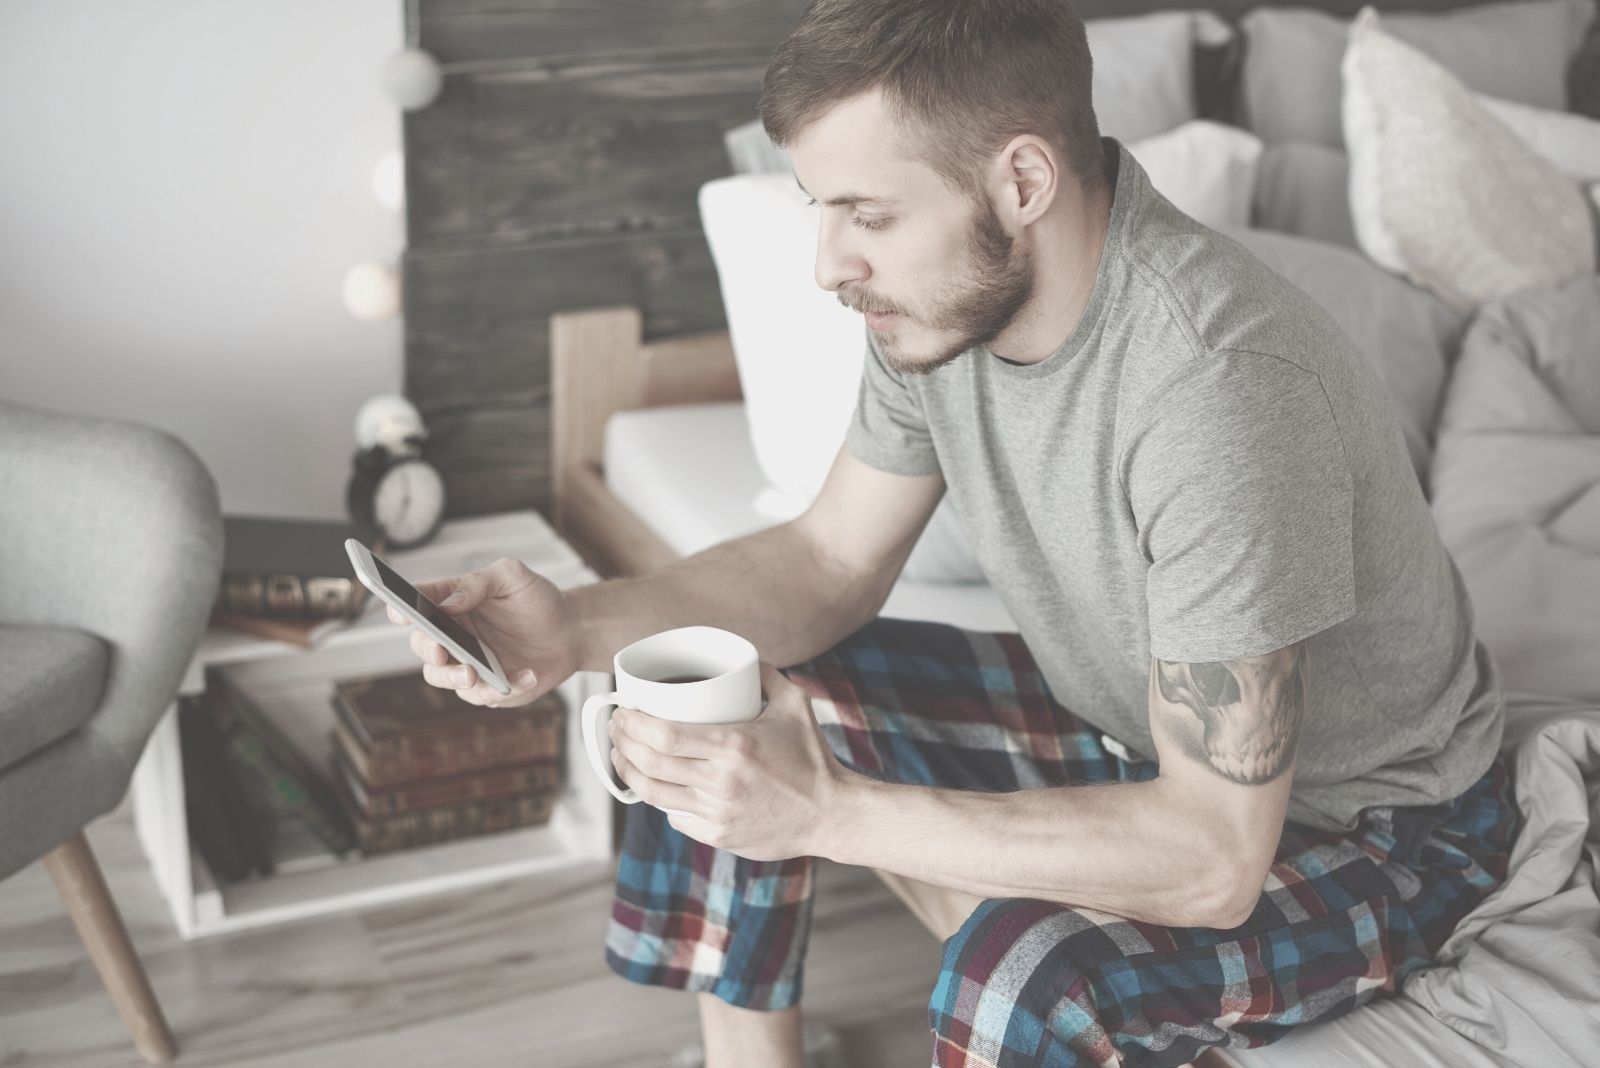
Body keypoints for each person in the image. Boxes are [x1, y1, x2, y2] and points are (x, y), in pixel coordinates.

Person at [386, 1, 1518, 1065]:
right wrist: (570, 627)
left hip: (1377, 827)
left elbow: (1217, 857)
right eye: (819, 210)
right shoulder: (938, 311)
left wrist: (828, 811)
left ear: (1020, 178)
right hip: (1135, 731)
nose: (827, 265)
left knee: (1019, 973)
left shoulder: (1217, 390)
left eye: (866, 215)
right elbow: (826, 560)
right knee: (713, 682)